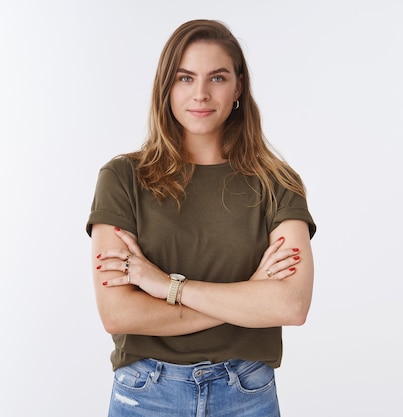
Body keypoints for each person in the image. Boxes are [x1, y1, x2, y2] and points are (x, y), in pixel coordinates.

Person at [86, 19, 316, 417]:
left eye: (218, 77)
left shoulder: (277, 182)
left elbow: (290, 305)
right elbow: (118, 313)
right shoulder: (122, 178)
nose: (201, 94)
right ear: (167, 86)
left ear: (239, 86)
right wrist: (249, 293)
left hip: (246, 392)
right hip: (146, 392)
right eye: (185, 78)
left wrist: (166, 287)